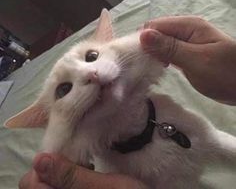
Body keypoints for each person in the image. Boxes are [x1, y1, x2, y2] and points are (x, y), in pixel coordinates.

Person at [19, 16, 236, 189]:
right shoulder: (111, 177)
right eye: (64, 89)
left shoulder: (177, 115)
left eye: (92, 56)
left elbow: (219, 143)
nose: (89, 74)